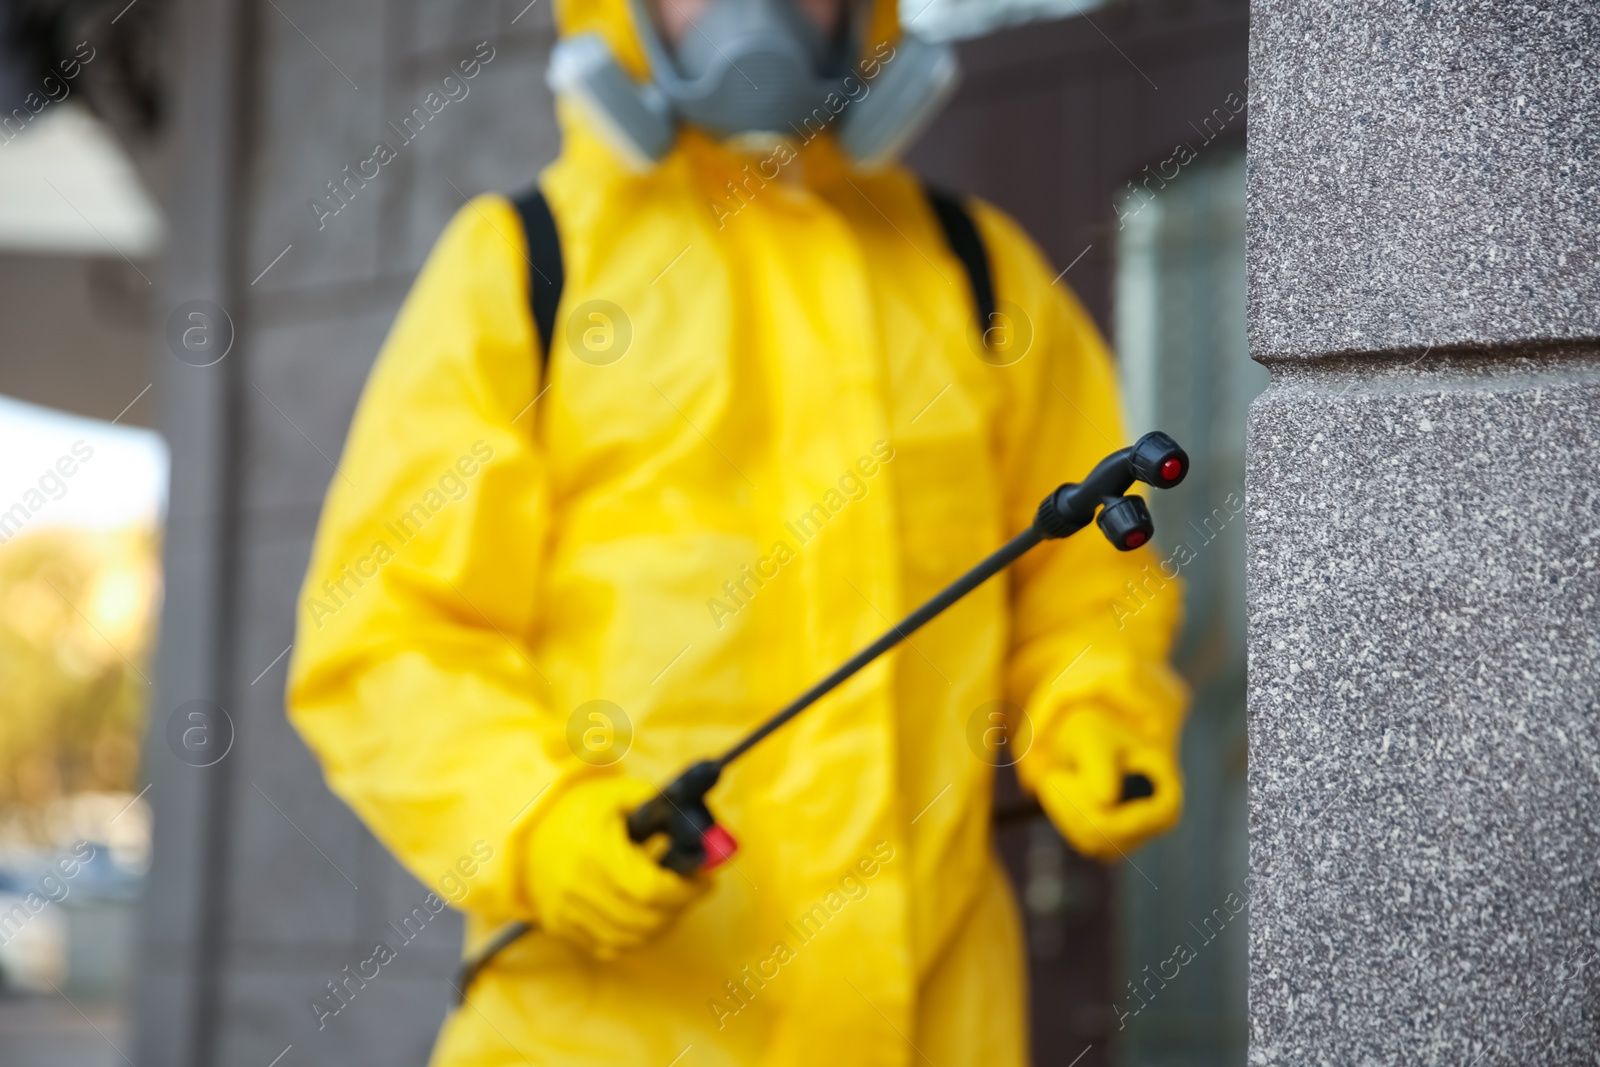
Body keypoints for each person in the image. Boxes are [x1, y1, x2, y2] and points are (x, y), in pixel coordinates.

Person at [286, 0, 1187, 1060]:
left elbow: (1082, 575)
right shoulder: (525, 267)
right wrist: (536, 821)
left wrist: (1089, 704)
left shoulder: (975, 271)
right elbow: (386, 632)